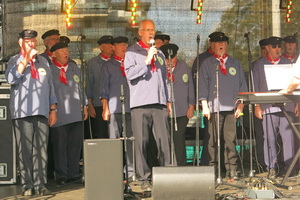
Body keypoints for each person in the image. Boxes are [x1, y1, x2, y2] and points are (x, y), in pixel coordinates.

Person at [5, 29, 57, 196]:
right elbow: (11, 79)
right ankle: (27, 184)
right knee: (26, 150)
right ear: (21, 42)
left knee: (41, 150)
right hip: (23, 113)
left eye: (33, 41)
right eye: (28, 41)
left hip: (42, 111)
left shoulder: (43, 61)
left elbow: (50, 87)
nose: (31, 44)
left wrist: (53, 109)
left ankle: (40, 183)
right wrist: (26, 59)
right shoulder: (14, 60)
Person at [124, 19, 171, 191]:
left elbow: (165, 80)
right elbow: (129, 75)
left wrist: (168, 100)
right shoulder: (131, 53)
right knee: (141, 141)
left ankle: (166, 174)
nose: (151, 32)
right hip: (140, 103)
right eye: (148, 29)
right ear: (140, 32)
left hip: (159, 103)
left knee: (163, 140)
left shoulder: (160, 54)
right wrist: (146, 60)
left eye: (153, 29)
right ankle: (143, 177)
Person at [199, 32, 248, 180]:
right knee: (212, 140)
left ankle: (232, 169)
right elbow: (202, 85)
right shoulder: (207, 63)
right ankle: (213, 169)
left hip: (232, 108)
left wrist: (241, 104)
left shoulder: (235, 63)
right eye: (216, 43)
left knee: (230, 139)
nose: (220, 45)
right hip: (214, 108)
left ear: (226, 45)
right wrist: (204, 105)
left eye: (223, 43)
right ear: (212, 46)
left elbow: (242, 85)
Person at [252, 36, 295, 178]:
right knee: (269, 138)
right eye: (274, 47)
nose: (277, 49)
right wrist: (257, 106)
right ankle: (271, 167)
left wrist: (297, 103)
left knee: (288, 137)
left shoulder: (287, 63)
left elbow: (295, 84)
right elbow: (255, 86)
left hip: (286, 106)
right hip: (267, 107)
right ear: (268, 49)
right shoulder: (259, 64)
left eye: (279, 47)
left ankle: (289, 168)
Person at [49, 42, 88, 186]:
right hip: (59, 114)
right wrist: (51, 109)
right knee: (60, 146)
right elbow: (49, 91)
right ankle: (61, 174)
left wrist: (84, 105)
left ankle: (74, 173)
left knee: (74, 145)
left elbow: (80, 87)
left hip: (75, 112)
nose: (66, 53)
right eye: (62, 51)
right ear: (54, 54)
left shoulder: (73, 67)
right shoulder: (50, 70)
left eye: (67, 50)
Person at [100, 36, 134, 180]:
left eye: (125, 45)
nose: (123, 47)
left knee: (131, 140)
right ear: (113, 47)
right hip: (114, 109)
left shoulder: (131, 63)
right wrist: (105, 108)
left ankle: (131, 172)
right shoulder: (108, 66)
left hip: (131, 108)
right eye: (120, 45)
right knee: (114, 141)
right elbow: (103, 89)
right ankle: (115, 171)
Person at [160, 43, 195, 166]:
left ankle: (181, 164)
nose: (170, 61)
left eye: (172, 58)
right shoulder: (158, 68)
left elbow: (190, 86)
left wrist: (192, 105)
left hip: (181, 109)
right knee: (164, 139)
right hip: (163, 110)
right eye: (167, 59)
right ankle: (166, 164)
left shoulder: (184, 67)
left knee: (178, 137)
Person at [86, 35, 114, 139]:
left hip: (116, 104)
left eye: (112, 44)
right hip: (98, 105)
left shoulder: (118, 62)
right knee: (102, 134)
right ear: (101, 47)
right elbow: (89, 84)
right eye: (109, 44)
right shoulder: (93, 63)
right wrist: (90, 104)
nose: (111, 47)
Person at [250, 38, 268, 172]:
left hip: (275, 105)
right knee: (261, 135)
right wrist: (257, 105)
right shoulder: (256, 64)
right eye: (262, 49)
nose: (264, 51)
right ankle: (262, 163)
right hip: (259, 105)